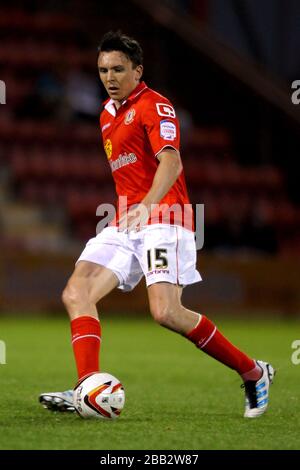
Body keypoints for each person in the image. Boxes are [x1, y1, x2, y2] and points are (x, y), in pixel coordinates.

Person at [39, 31, 275, 418]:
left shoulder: (155, 105)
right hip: (125, 220)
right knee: (76, 292)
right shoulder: (105, 114)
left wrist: (148, 207)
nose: (109, 77)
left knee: (166, 312)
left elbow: (172, 163)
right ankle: (87, 389)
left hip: (165, 217)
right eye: (102, 70)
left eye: (118, 69)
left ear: (138, 70)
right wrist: (133, 212)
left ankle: (253, 373)